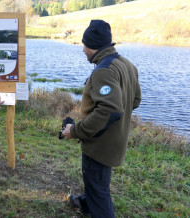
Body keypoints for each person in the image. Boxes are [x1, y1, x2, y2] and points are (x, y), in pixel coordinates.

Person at [62, 20, 141, 217]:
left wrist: (75, 131)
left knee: (99, 190)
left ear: (94, 46)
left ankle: (93, 205)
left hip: (99, 144)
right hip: (115, 140)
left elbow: (110, 110)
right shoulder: (127, 65)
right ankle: (85, 203)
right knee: (97, 182)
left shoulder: (103, 71)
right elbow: (135, 100)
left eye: (85, 45)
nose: (83, 50)